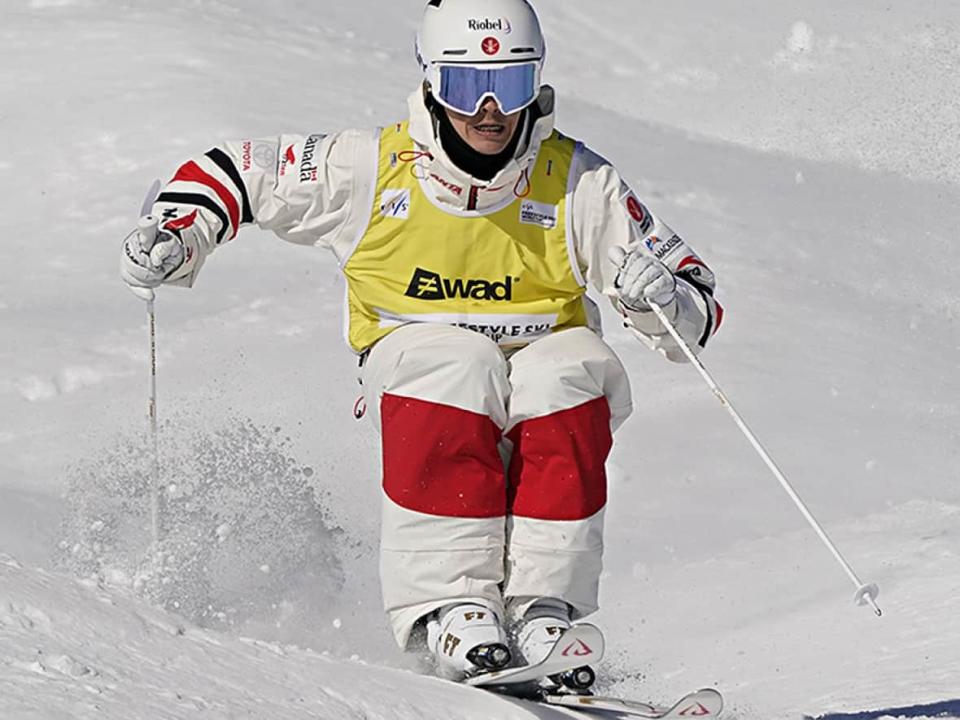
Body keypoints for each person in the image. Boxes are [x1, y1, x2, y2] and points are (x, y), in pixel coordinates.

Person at [120, 0, 723, 682]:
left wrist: (661, 296)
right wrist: (177, 229)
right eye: (467, 87)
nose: (490, 111)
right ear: (433, 83)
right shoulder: (373, 167)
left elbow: (695, 308)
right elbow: (237, 171)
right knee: (456, 361)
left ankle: (543, 611)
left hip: (534, 377)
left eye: (513, 85)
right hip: (416, 372)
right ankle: (452, 611)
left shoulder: (579, 183)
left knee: (573, 365)